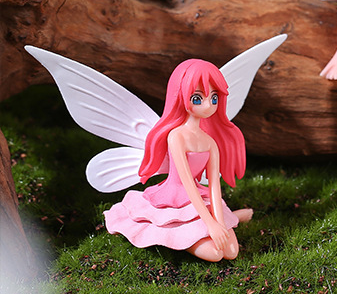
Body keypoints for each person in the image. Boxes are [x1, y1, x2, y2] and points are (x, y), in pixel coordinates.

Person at [105, 59, 253, 261]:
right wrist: (210, 225)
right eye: (198, 98)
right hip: (175, 198)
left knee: (231, 252)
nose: (208, 105)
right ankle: (181, 236)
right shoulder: (177, 137)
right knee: (215, 254)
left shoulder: (210, 142)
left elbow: (214, 186)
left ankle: (231, 217)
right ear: (181, 96)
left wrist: (220, 222)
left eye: (214, 98)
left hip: (200, 197)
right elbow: (186, 183)